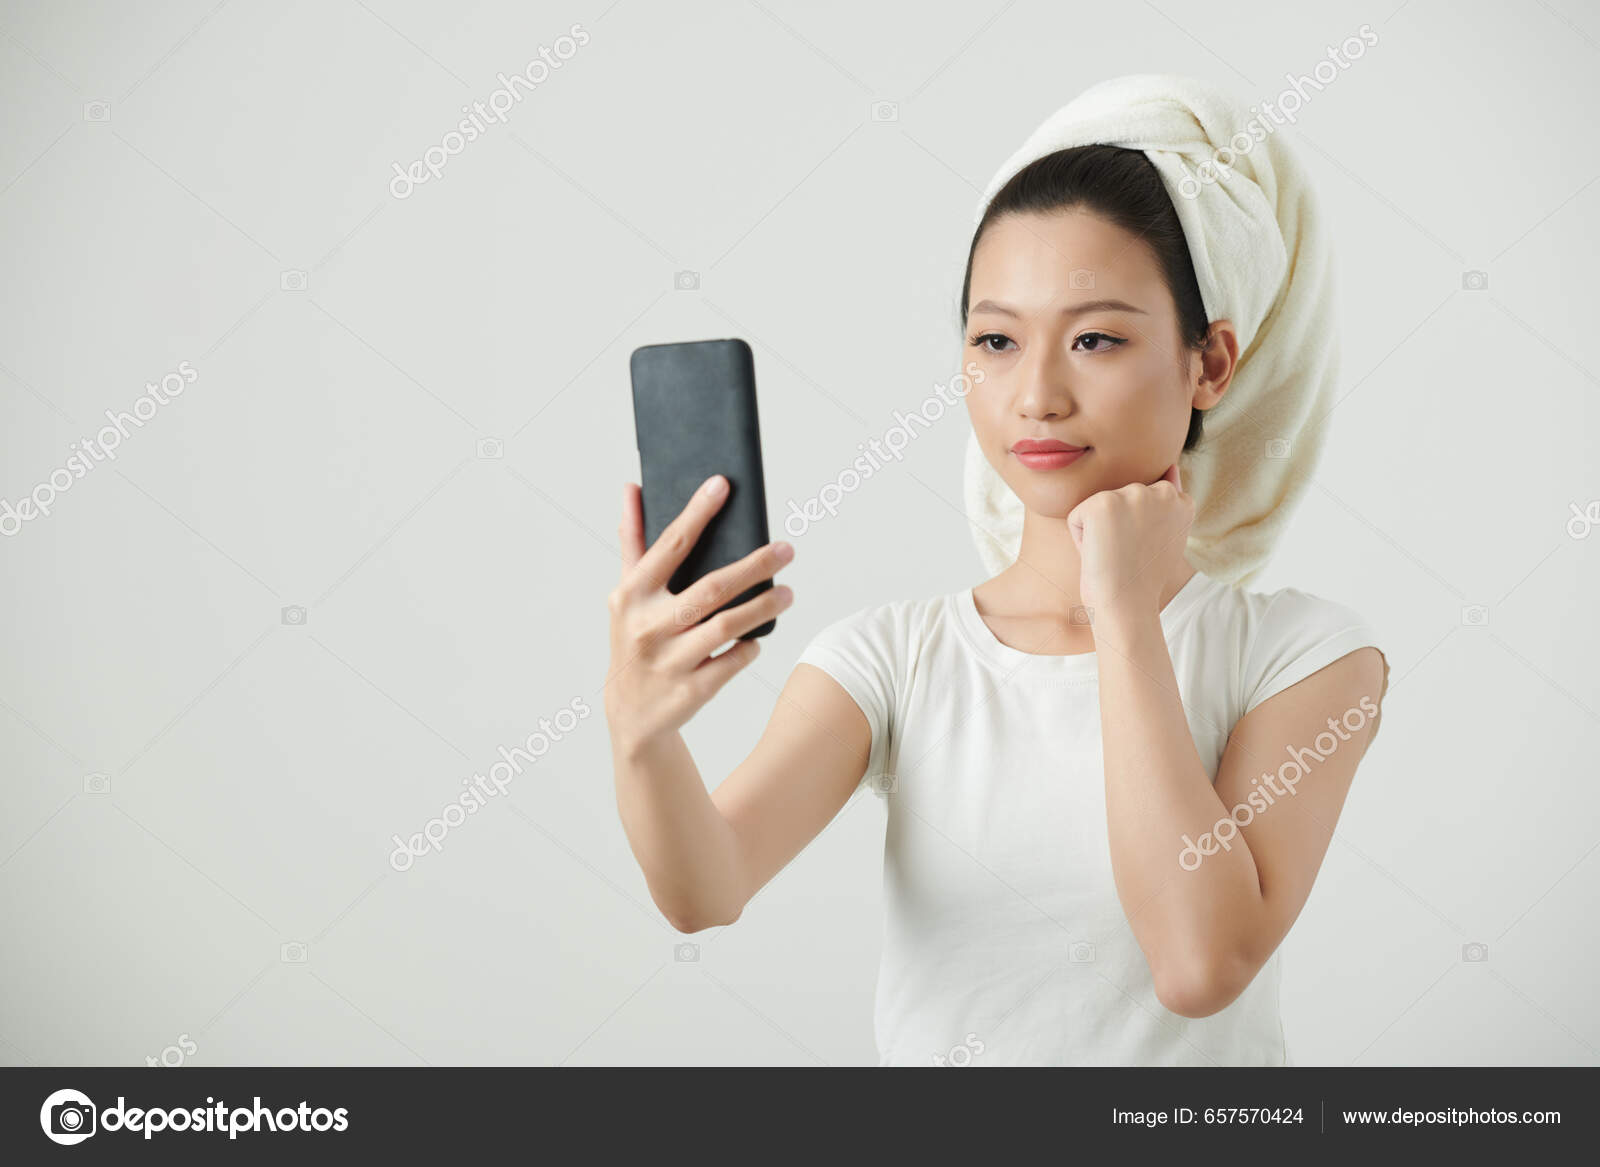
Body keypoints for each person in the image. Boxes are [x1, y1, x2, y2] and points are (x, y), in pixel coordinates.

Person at [604, 104, 1388, 1067]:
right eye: (996, 342)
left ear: (1209, 363)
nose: (1037, 396)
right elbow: (706, 888)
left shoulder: (1306, 657)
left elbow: (1197, 964)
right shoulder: (891, 657)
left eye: (1096, 339)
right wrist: (641, 733)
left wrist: (1126, 619)